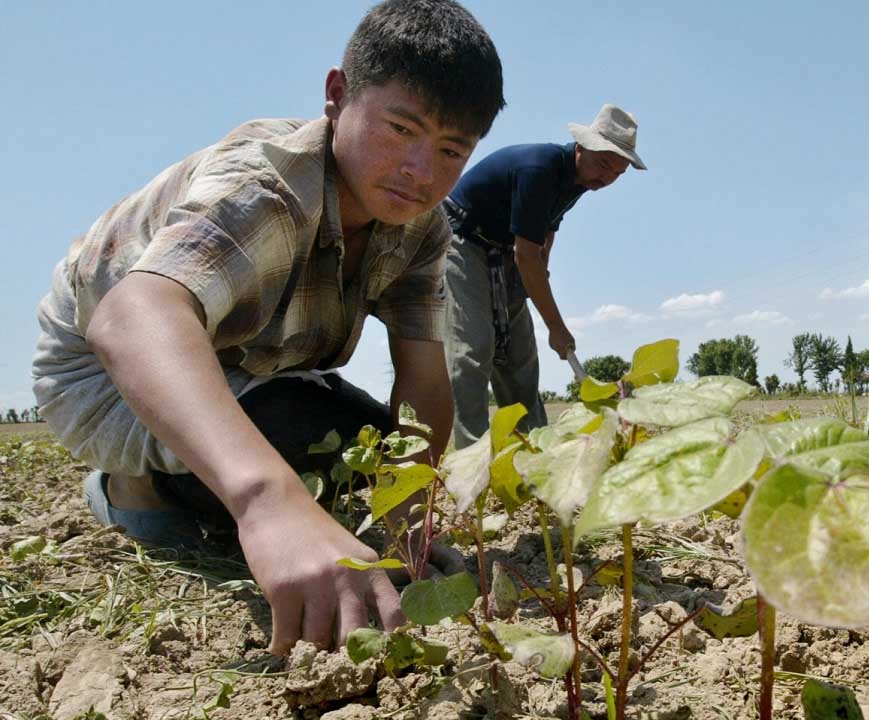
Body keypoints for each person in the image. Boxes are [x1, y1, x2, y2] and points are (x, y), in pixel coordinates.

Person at [30, 0, 504, 655]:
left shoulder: (422, 228)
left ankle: (223, 481)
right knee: (286, 459)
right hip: (106, 368)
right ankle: (133, 488)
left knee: (361, 460)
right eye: (400, 128)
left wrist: (404, 518)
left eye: (451, 150)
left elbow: (424, 376)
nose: (419, 172)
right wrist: (265, 501)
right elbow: (131, 316)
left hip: (247, 366)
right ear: (337, 95)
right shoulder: (269, 185)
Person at [441, 104, 645, 447]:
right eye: (604, 166)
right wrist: (556, 326)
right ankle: (470, 460)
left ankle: (537, 453)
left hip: (507, 252)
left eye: (617, 174)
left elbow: (548, 227)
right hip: (463, 242)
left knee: (520, 358)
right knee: (472, 352)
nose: (606, 179)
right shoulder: (540, 169)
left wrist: (540, 269)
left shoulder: (580, 180)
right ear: (582, 147)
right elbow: (526, 255)